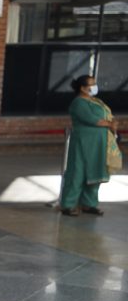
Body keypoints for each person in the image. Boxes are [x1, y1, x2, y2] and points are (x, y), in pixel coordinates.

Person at [60, 74, 116, 217]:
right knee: (77, 173)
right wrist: (109, 124)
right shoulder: (78, 103)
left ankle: (89, 204)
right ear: (83, 88)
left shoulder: (96, 101)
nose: (94, 87)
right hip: (83, 143)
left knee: (95, 172)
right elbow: (92, 120)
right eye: (91, 84)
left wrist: (111, 123)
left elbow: (107, 116)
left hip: (98, 144)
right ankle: (68, 205)